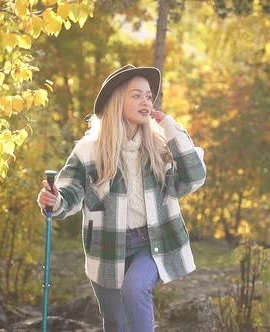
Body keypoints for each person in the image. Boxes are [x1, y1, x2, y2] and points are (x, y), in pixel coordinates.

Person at [37, 64, 206, 332]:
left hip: (151, 243)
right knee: (116, 323)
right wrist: (53, 200)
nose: (146, 101)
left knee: (135, 288)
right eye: (136, 95)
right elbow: (69, 193)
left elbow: (192, 178)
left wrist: (171, 127)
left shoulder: (159, 146)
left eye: (149, 96)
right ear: (117, 100)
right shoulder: (89, 149)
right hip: (105, 248)